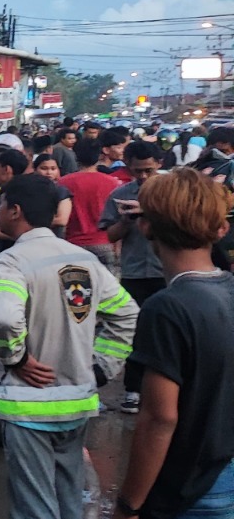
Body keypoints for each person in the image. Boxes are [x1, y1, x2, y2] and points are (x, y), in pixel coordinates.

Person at [0, 174, 138, 519]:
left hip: (29, 405)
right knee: (68, 499)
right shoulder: (83, 259)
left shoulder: (11, 262)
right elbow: (127, 313)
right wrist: (102, 366)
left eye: (1, 204)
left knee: (35, 511)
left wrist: (16, 358)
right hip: (77, 402)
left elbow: (3, 318)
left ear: (15, 211)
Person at [102, 169, 234, 519]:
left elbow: (159, 418)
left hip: (187, 497)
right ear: (219, 229)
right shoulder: (227, 290)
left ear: (145, 228)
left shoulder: (168, 307)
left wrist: (127, 508)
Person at [101, 140, 165, 415]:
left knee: (166, 334)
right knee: (135, 333)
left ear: (159, 165)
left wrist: (151, 214)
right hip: (135, 272)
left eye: (148, 171)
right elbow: (110, 235)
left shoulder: (172, 192)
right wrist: (127, 220)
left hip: (167, 272)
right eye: (137, 171)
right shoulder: (121, 193)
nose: (142, 177)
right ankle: (133, 390)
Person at [60, 138, 122, 274]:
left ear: (75, 155)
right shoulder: (113, 183)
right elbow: (119, 217)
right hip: (104, 243)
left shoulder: (63, 183)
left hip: (73, 244)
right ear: (100, 155)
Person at [32, 154, 74, 237]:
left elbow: (62, 220)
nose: (49, 172)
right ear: (35, 170)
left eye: (53, 169)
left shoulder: (61, 191)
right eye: (44, 168)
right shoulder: (29, 189)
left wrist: (31, 223)